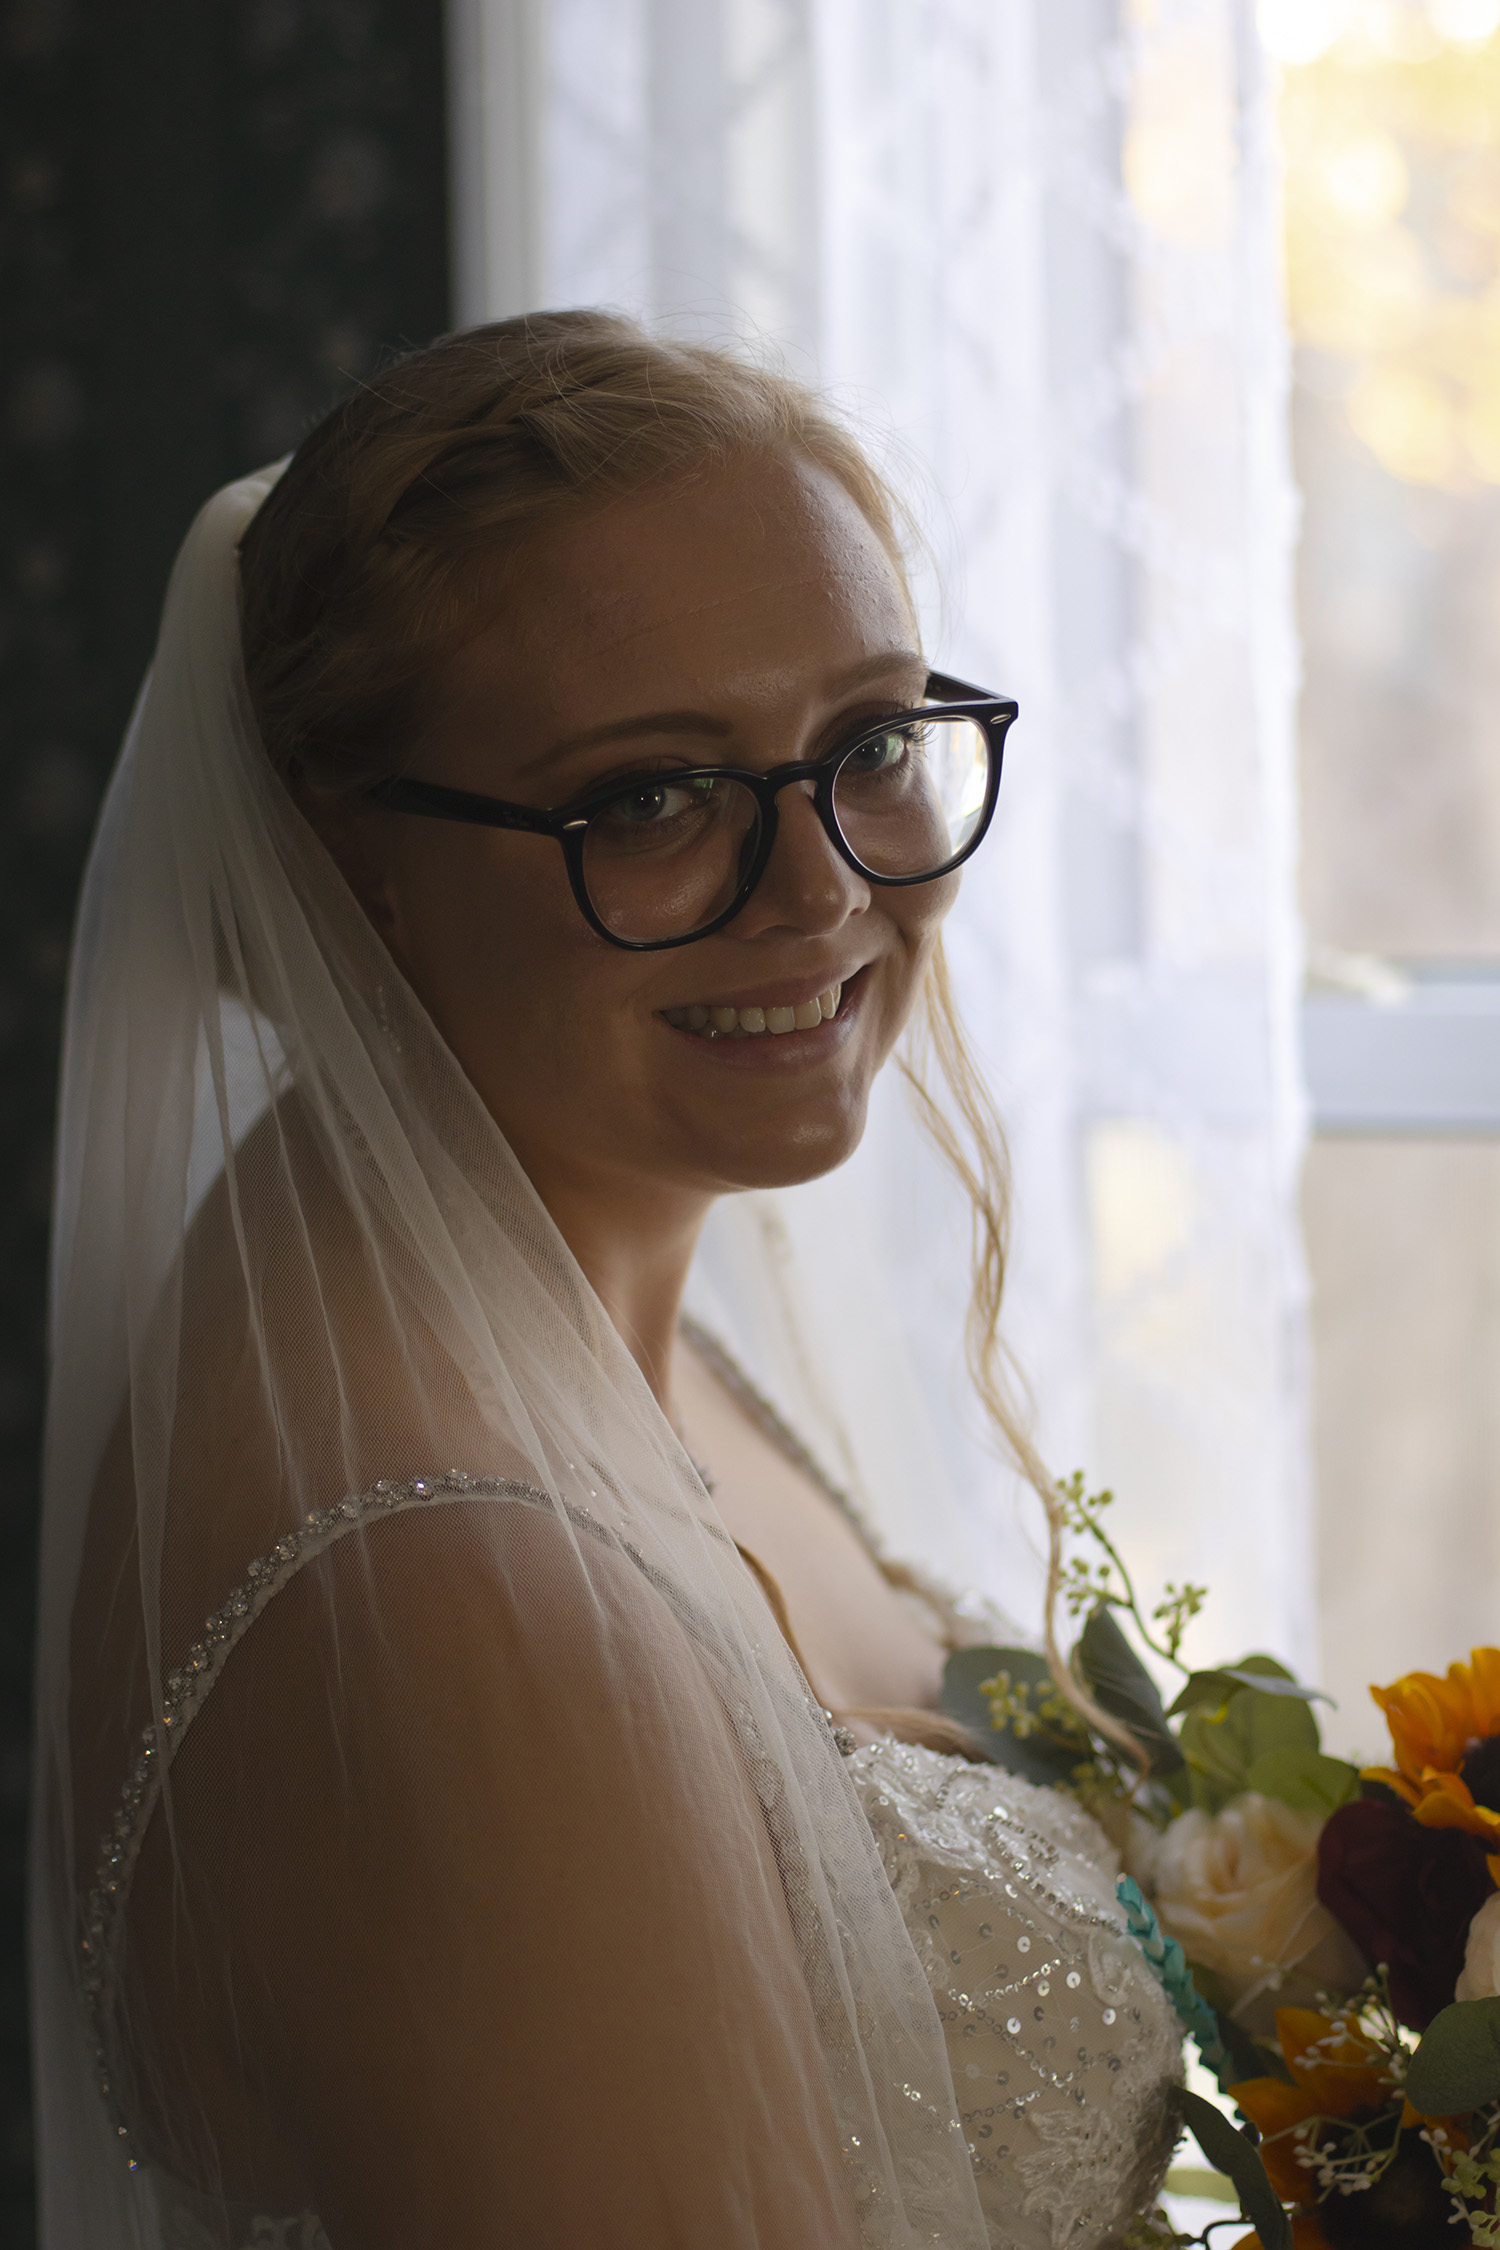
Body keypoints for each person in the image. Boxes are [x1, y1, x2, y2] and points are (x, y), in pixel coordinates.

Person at [32, 312, 1182, 2250]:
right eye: (651, 797)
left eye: (868, 744)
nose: (823, 891)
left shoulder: (557, 1279)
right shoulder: (455, 1599)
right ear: (347, 864)